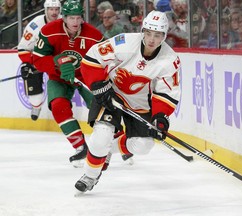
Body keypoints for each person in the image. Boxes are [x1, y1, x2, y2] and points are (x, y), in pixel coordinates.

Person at [75, 10, 181, 193]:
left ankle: (109, 151)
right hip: (111, 93)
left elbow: (166, 92)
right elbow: (93, 58)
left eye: (157, 35)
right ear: (143, 30)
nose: (151, 39)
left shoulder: (169, 60)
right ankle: (90, 176)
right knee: (101, 136)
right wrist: (99, 85)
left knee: (143, 145)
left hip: (140, 103)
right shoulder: (124, 42)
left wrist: (161, 117)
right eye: (148, 33)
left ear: (164, 36)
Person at [32, 0, 104, 167]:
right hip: (58, 78)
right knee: (58, 106)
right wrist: (57, 62)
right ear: (64, 18)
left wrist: (91, 73)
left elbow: (106, 58)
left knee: (100, 107)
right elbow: (37, 59)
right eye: (71, 18)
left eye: (78, 18)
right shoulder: (49, 31)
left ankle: (112, 143)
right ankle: (80, 147)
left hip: (86, 77)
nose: (75, 22)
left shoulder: (93, 35)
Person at [18, 0, 62, 121]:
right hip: (37, 58)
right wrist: (29, 63)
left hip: (57, 58)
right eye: (51, 9)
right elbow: (23, 48)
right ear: (46, 10)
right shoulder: (35, 25)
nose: (54, 12)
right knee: (35, 94)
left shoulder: (66, 22)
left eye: (56, 9)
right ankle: (36, 105)